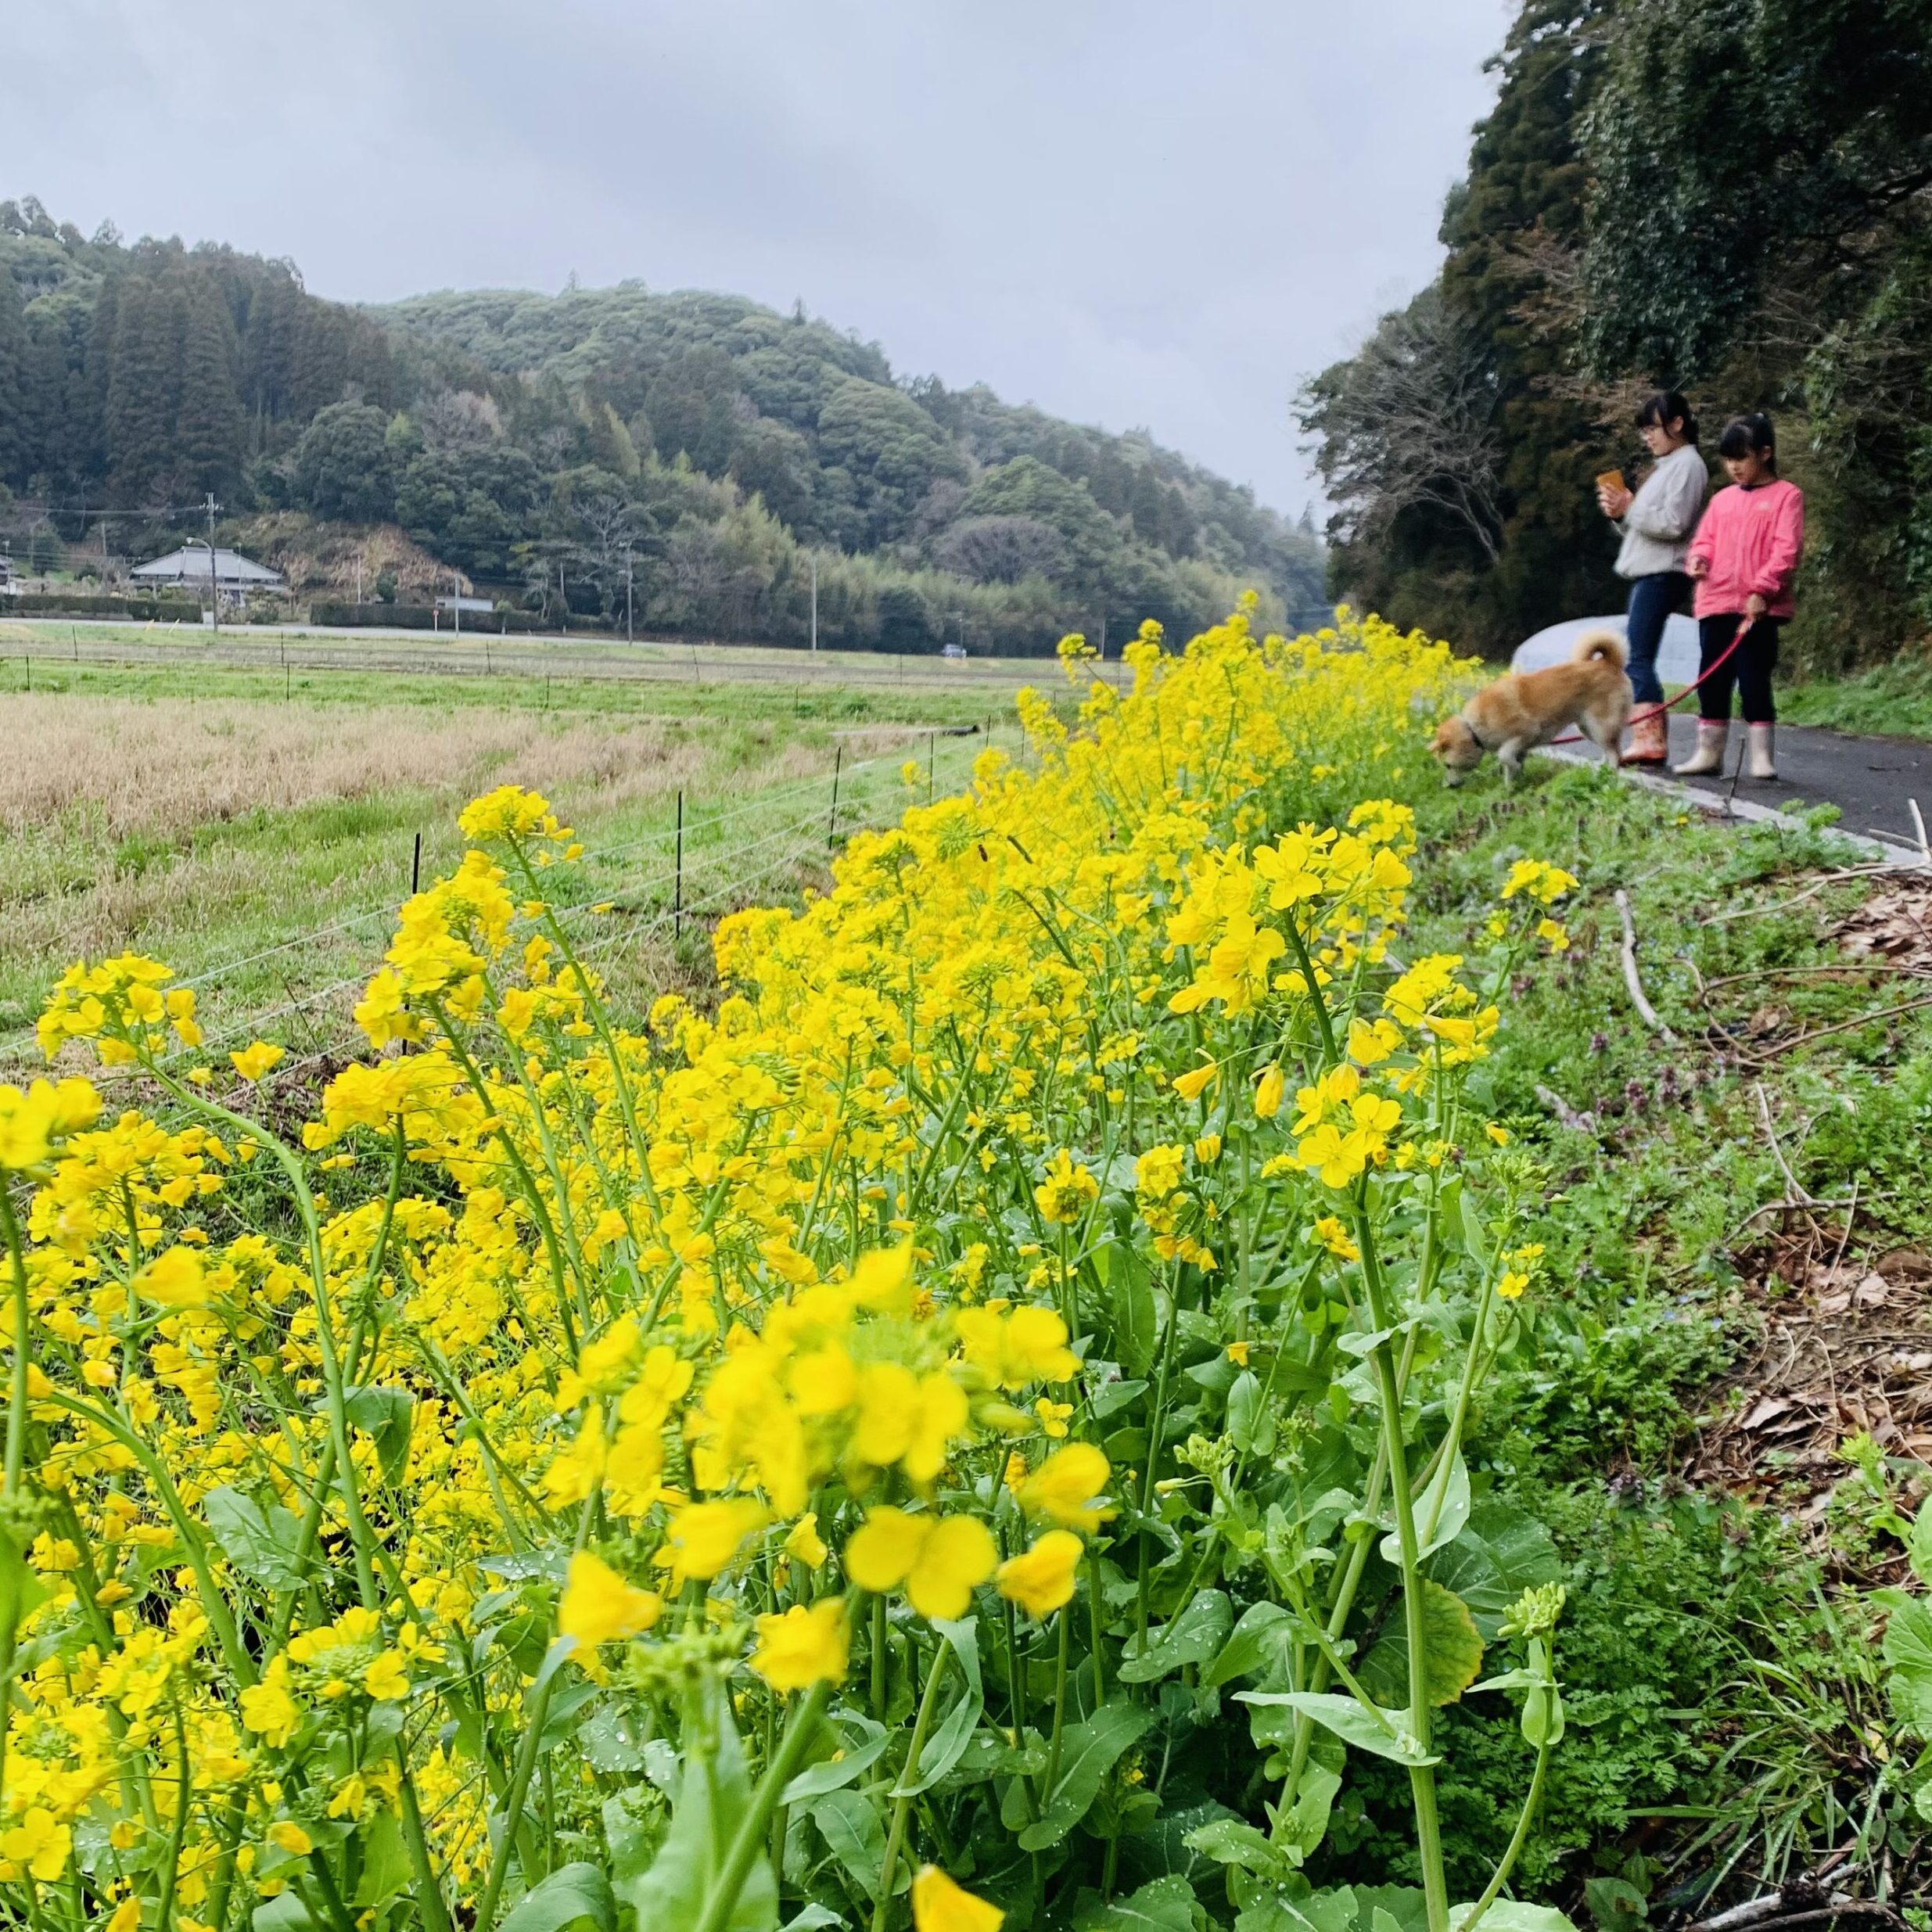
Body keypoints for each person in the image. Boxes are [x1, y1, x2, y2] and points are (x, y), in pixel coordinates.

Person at [1674, 412, 1805, 781]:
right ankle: (1708, 753)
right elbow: (1704, 541)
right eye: (1728, 458)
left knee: (1753, 678)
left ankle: (1761, 756)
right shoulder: (1722, 500)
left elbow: (1787, 551)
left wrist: (1763, 590)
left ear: (1764, 453)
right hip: (1715, 602)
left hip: (1757, 609)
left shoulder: (1787, 497)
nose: (1734, 467)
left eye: (1741, 457)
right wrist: (1698, 561)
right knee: (1711, 678)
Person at [1597, 391, 1708, 765]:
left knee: (1637, 656)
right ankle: (1647, 737)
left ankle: (1650, 738)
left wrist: (1630, 507)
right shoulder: (1670, 467)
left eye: (1652, 428)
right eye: (1643, 431)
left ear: (1677, 423)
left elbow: (1673, 525)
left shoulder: (1688, 465)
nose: (1647, 437)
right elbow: (1647, 528)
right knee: (1637, 655)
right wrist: (1620, 514)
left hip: (1663, 572)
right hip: (1653, 570)